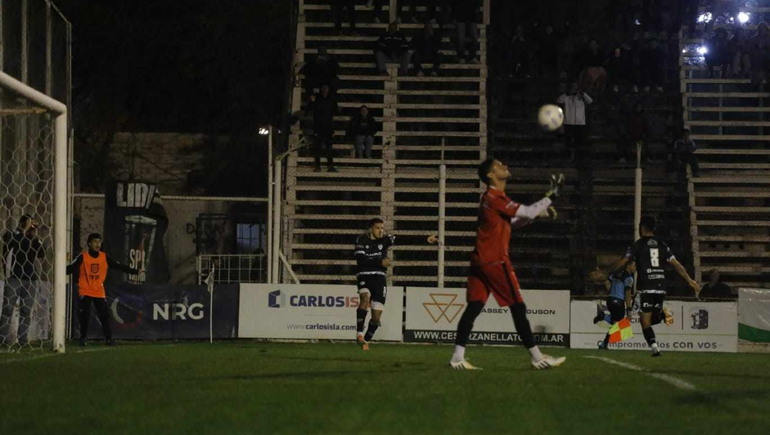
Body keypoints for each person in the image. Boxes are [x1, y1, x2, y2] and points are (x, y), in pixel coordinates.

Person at [445, 158, 566, 370]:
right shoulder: (494, 197)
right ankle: (537, 357)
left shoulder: (490, 199)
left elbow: (513, 221)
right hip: (495, 260)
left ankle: (457, 356)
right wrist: (552, 195)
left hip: (479, 261)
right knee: (517, 307)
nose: (506, 167)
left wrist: (537, 213)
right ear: (491, 175)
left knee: (474, 307)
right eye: (500, 166)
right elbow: (526, 212)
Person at [589, 216, 701, 357]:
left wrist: (605, 271)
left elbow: (622, 262)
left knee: (645, 322)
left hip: (646, 286)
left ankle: (658, 328)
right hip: (661, 286)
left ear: (642, 228)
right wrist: (690, 280)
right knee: (650, 320)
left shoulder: (638, 245)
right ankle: (656, 348)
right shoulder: (663, 245)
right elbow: (676, 264)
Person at [66, 233, 139, 346]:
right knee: (85, 313)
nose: (98, 244)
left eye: (99, 242)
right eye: (95, 242)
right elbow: (72, 267)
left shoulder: (104, 257)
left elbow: (118, 266)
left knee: (104, 315)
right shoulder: (83, 257)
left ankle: (109, 339)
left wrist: (134, 271)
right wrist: (60, 270)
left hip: (98, 290)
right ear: (89, 244)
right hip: (85, 289)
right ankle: (83, 338)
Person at [1, 215, 45, 348]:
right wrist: (24, 231)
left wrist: (34, 238)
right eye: (30, 225)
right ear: (21, 223)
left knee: (26, 311)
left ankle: (23, 340)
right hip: (14, 277)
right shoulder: (12, 234)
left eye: (34, 227)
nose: (32, 229)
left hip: (30, 279)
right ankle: (2, 339)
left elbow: (41, 253)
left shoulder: (33, 240)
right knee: (8, 309)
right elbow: (13, 243)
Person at [353, 218, 395, 350]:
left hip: (380, 279)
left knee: (376, 318)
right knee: (365, 298)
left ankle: (366, 340)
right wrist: (379, 262)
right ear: (371, 228)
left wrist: (426, 239)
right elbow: (361, 260)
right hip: (364, 275)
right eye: (378, 228)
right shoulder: (361, 240)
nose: (380, 230)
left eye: (382, 228)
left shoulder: (385, 240)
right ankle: (359, 334)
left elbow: (405, 240)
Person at [592, 262, 636, 350]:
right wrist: (629, 308)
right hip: (618, 301)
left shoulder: (617, 273)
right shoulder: (629, 278)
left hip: (610, 299)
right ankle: (604, 318)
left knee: (615, 323)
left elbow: (607, 282)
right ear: (628, 266)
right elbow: (627, 294)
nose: (635, 268)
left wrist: (612, 291)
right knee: (617, 324)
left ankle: (604, 343)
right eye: (634, 265)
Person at [557, 82, 593, 162]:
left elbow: (590, 101)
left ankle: (579, 158)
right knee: (569, 142)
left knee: (580, 142)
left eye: (576, 87)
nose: (575, 89)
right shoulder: (566, 96)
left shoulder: (582, 96)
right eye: (573, 87)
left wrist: (582, 93)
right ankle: (569, 158)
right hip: (568, 122)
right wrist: (568, 93)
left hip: (580, 123)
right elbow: (559, 100)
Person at [309, 84, 339, 172]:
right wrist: (312, 102)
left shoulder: (332, 99)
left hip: (328, 127)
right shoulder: (317, 99)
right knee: (318, 147)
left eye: (326, 88)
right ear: (321, 89)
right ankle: (317, 167)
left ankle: (330, 166)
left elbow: (336, 110)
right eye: (323, 88)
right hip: (318, 127)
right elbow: (309, 110)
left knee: (329, 148)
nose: (325, 90)